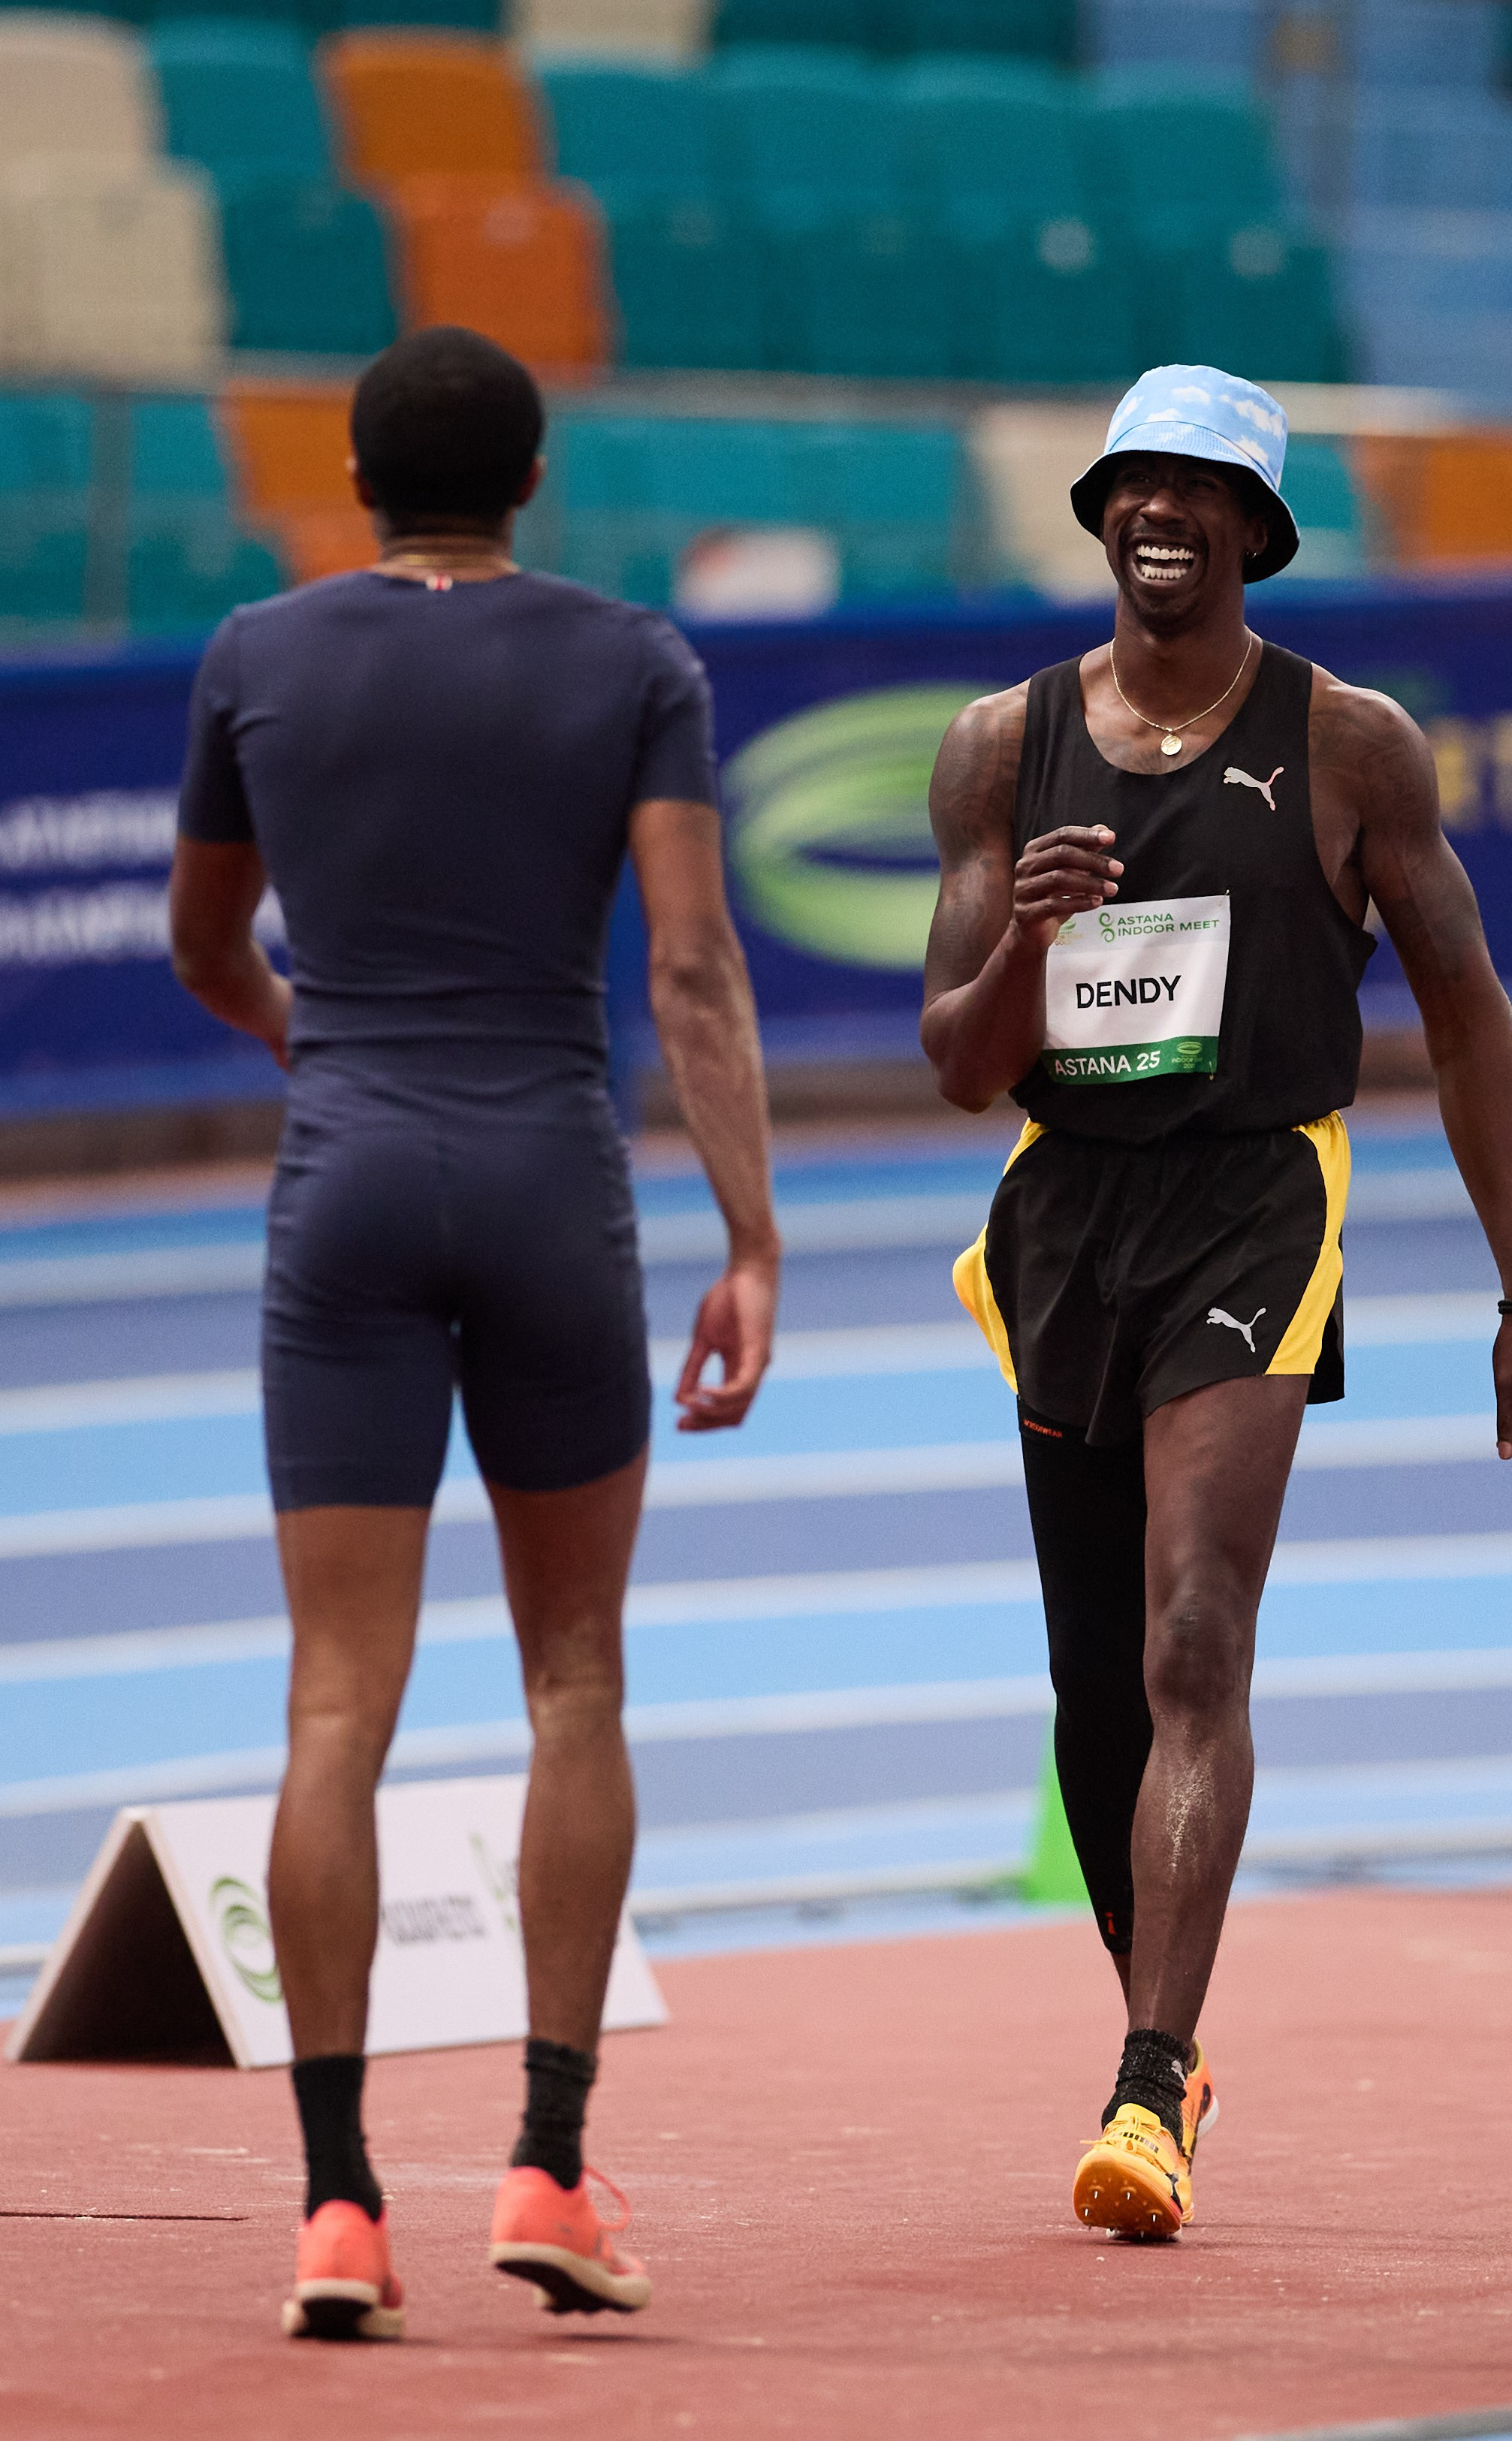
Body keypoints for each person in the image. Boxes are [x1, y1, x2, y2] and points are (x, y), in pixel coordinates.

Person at [921, 364, 1512, 2240]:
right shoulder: (998, 746)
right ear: (1103, 509)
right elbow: (962, 1064)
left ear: (1254, 533)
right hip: (1064, 1218)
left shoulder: (1351, 746)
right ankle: (1167, 2023)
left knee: (1194, 1629)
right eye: (1136, 482)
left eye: (1200, 493)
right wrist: (1035, 944)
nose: (1160, 513)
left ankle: (1145, 2092)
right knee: (1093, 1694)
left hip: (1255, 1205)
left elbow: (1466, 1016)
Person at [169, 326, 780, 2335]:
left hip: (342, 1183)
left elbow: (202, 933)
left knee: (334, 1703)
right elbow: (690, 960)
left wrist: (298, 1037)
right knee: (576, 1680)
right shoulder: (633, 663)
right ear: (531, 480)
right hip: (546, 1183)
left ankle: (339, 2205)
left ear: (358, 476)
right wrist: (752, 1233)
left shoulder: (257, 654)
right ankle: (548, 2155)